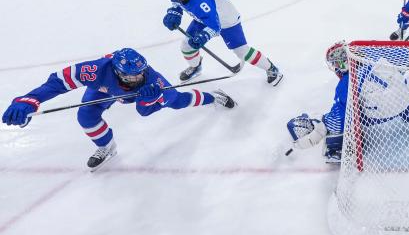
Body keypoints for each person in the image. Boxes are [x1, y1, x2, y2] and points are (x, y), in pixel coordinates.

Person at [1, 48, 235, 171]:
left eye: (140, 72)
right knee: (86, 115)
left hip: (142, 96)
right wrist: (29, 100)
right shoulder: (94, 70)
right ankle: (106, 147)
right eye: (131, 75)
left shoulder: (152, 81)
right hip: (106, 90)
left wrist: (147, 99)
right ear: (116, 71)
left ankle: (212, 96)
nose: (137, 78)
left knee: (178, 101)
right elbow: (57, 83)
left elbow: (144, 113)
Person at [163, 0, 283, 86]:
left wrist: (204, 36)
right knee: (186, 45)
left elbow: (215, 27)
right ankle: (196, 67)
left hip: (226, 19)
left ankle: (271, 68)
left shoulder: (202, 2)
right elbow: (177, 3)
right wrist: (175, 12)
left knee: (242, 52)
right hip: (204, 17)